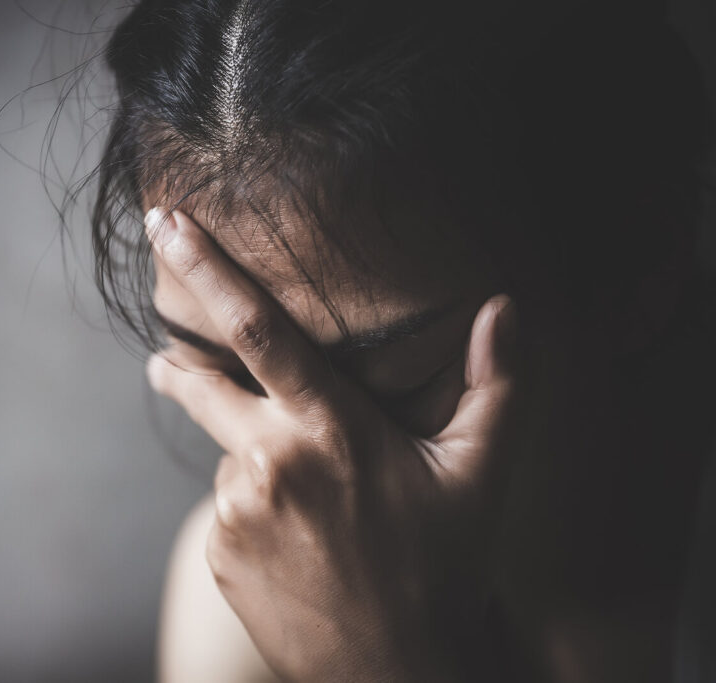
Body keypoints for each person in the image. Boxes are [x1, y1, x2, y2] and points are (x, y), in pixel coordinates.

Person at [79, 0, 716, 679]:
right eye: (223, 372)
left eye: (396, 384)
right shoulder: (250, 591)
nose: (292, 464)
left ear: (638, 274)